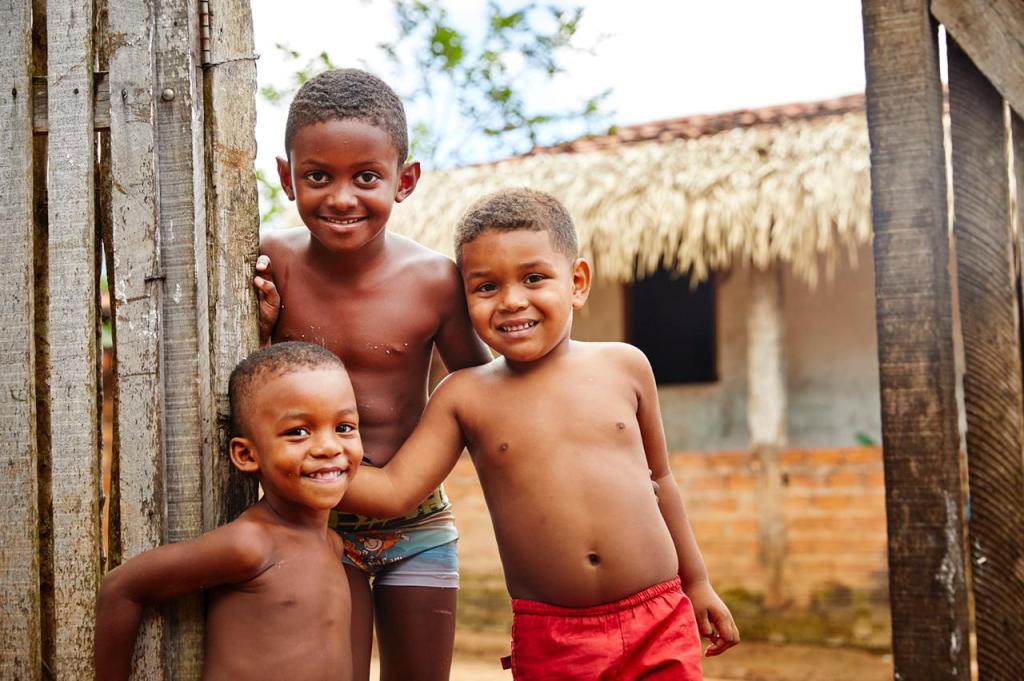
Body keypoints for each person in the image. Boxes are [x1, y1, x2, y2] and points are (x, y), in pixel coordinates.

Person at [340, 188, 740, 680]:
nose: (511, 301)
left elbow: (661, 481)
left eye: (534, 278)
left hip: (658, 616)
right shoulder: (465, 396)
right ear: (464, 299)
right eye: (486, 287)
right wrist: (296, 463)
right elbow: (394, 489)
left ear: (577, 282)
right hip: (553, 636)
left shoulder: (626, 366)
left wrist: (697, 583)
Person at [252, 68, 492, 681]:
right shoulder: (269, 263)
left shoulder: (435, 281)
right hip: (316, 525)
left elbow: (482, 392)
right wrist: (258, 327)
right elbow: (249, 380)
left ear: (404, 181)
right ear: (286, 178)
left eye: (366, 177)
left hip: (421, 525)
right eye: (316, 176)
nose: (341, 198)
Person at [94, 342, 364, 681]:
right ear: (247, 455)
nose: (328, 447)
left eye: (344, 427)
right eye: (298, 432)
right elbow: (122, 587)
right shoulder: (251, 544)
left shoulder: (332, 545)